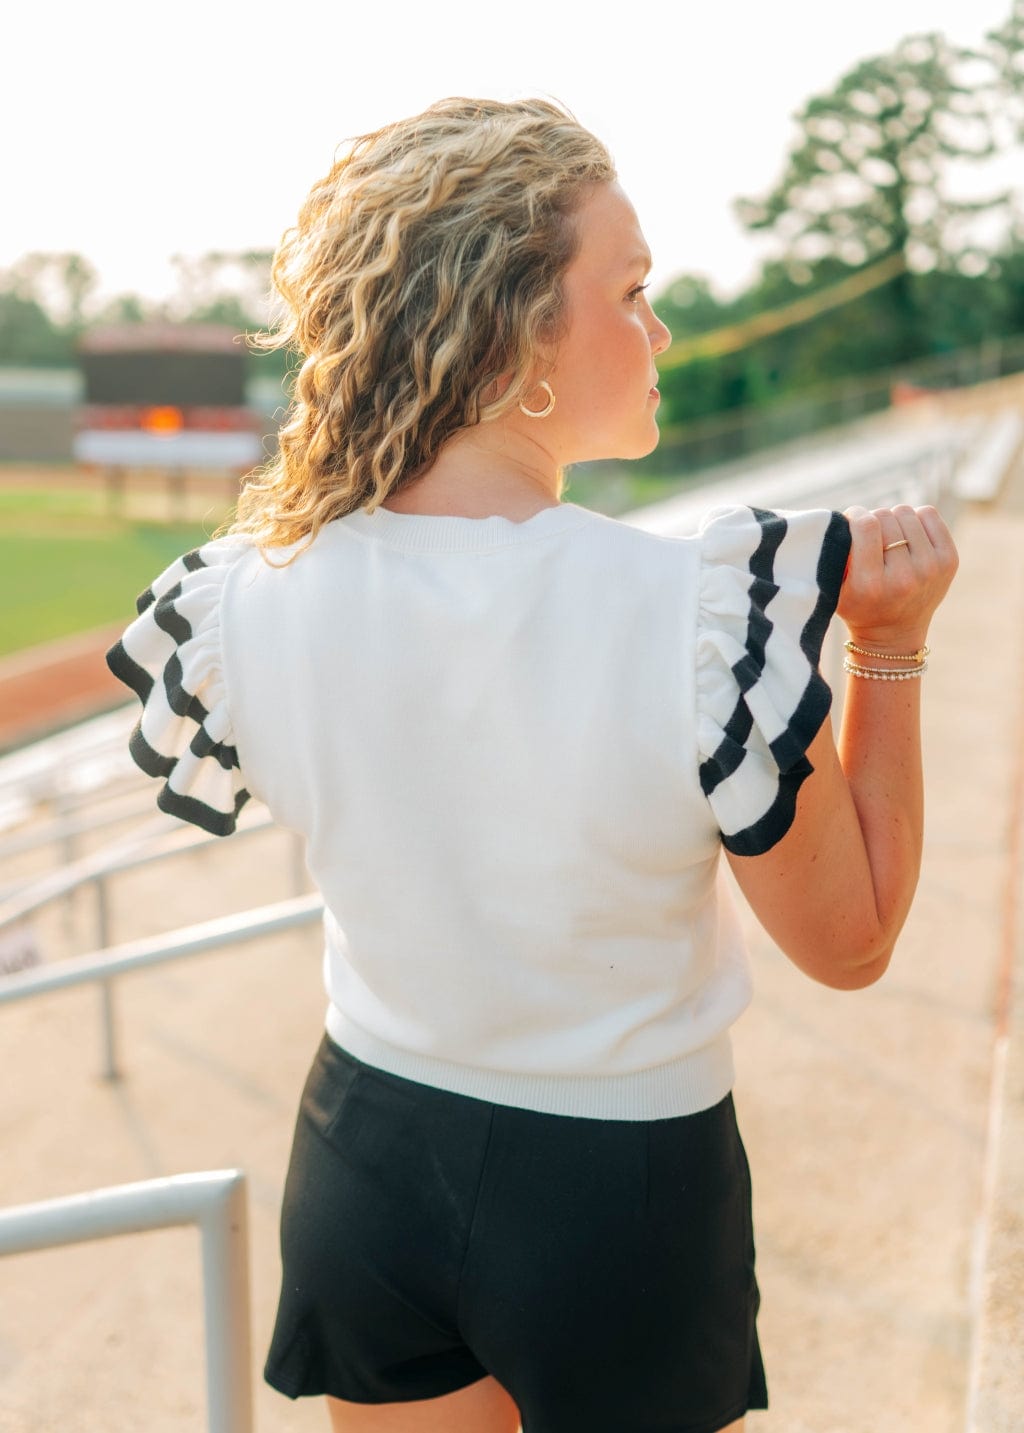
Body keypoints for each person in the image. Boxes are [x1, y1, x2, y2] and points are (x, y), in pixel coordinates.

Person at [106, 97, 958, 1433]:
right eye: (632, 291)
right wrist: (893, 650)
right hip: (618, 1191)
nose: (661, 330)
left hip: (365, 1158)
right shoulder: (691, 611)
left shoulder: (238, 601)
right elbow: (850, 943)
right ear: (515, 332)